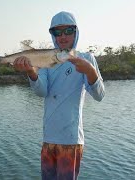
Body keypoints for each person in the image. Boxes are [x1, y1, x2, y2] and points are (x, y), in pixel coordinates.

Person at [14, 11, 105, 179]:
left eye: (68, 31)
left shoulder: (86, 58)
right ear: (52, 35)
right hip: (49, 137)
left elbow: (99, 95)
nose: (63, 36)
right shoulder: (47, 60)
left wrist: (90, 71)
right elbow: (41, 92)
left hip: (71, 139)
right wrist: (31, 72)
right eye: (57, 32)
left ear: (76, 32)